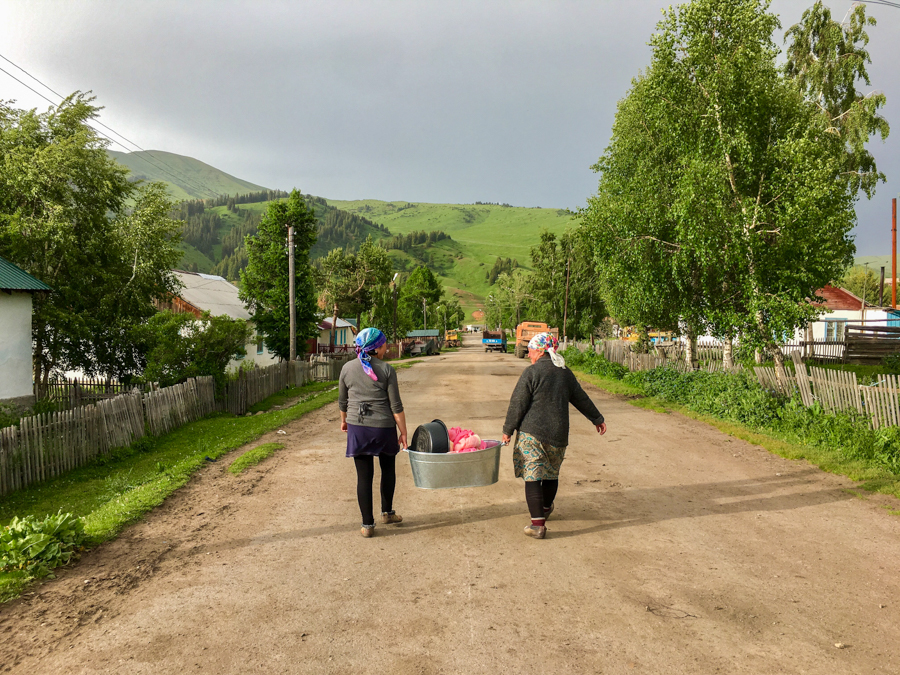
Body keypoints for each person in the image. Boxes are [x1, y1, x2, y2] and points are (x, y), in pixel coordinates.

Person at [501, 332, 606, 539]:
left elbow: (518, 404)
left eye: (531, 349)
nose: (529, 353)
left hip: (532, 433)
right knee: (550, 473)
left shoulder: (531, 372)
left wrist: (507, 430)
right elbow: (581, 398)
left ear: (540, 351)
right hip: (558, 433)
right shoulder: (565, 373)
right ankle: (546, 508)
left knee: (533, 476)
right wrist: (597, 418)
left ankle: (537, 525)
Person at [339, 327, 408, 538]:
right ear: (377, 347)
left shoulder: (347, 368)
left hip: (357, 428)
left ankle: (367, 525)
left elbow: (343, 401)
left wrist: (344, 422)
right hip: (383, 428)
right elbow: (396, 406)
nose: (386, 347)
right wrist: (403, 432)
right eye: (385, 344)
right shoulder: (387, 370)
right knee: (388, 470)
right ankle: (387, 513)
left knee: (363, 476)